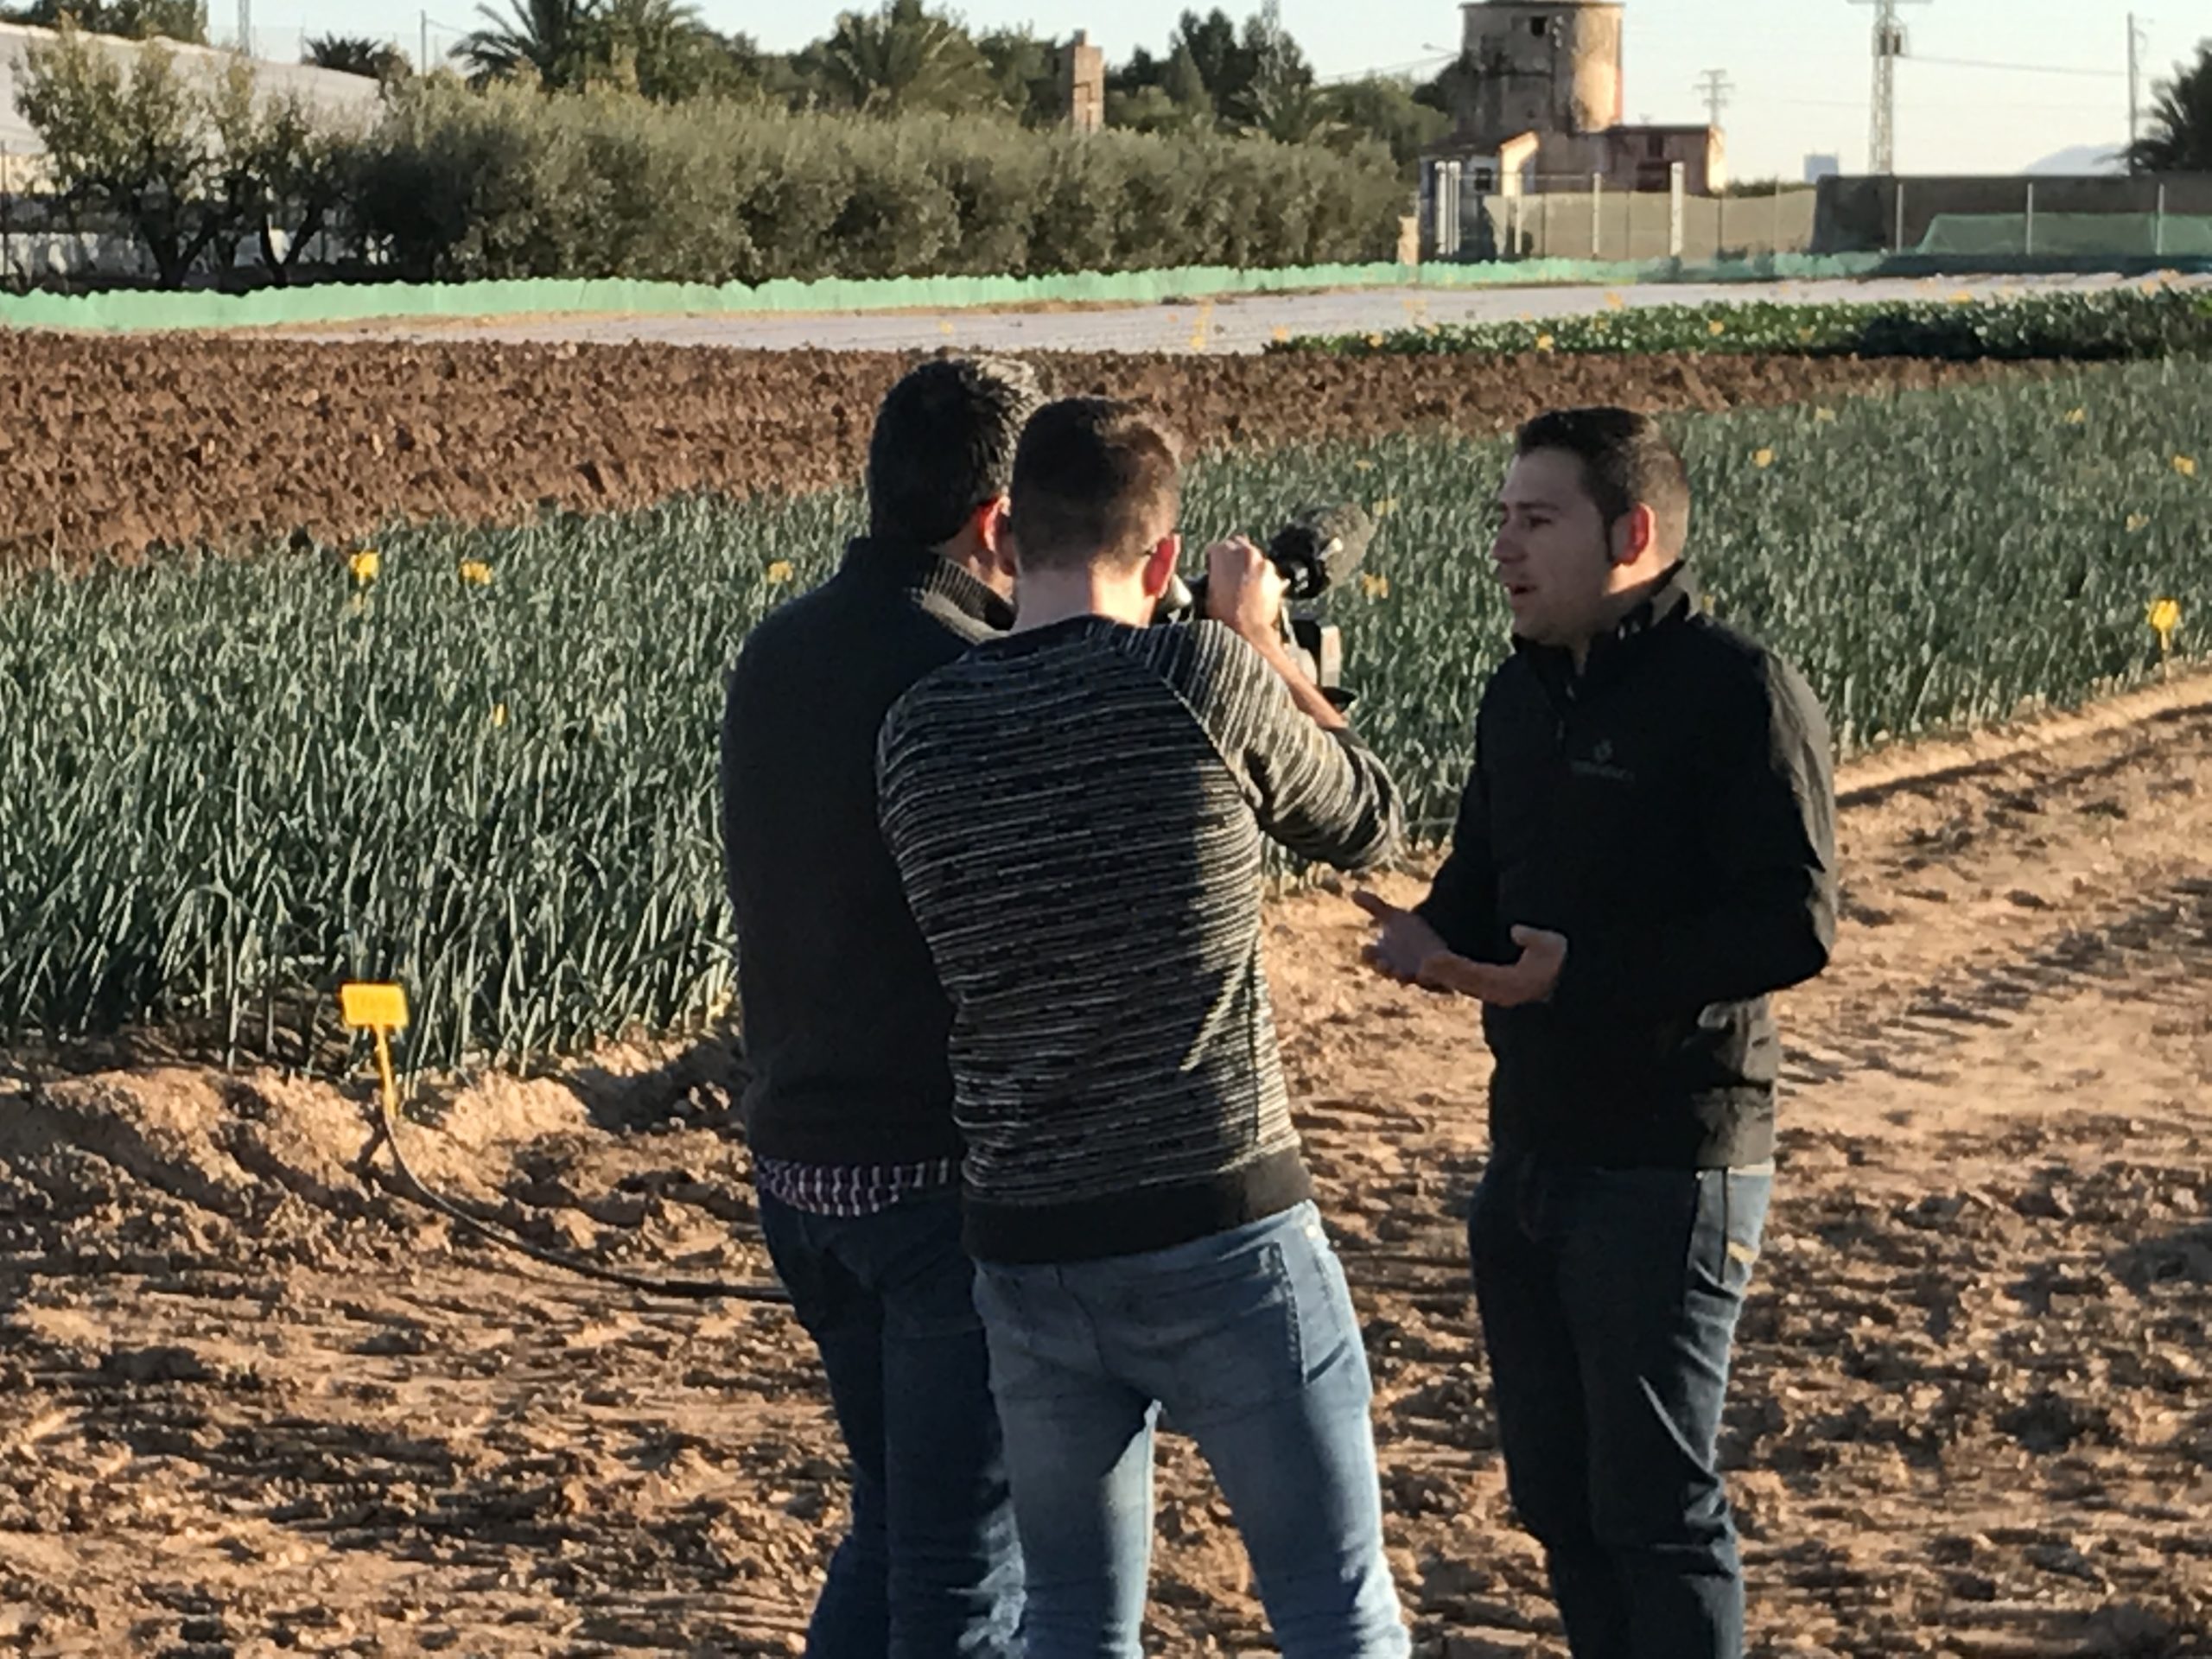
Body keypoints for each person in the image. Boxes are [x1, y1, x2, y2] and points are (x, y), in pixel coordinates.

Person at [875, 398, 1412, 1659]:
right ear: (1162, 560)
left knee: (1070, 1617)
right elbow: (1370, 817)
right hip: (1220, 1224)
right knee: (1337, 1612)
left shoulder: (919, 734)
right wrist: (1264, 646)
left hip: (1027, 1246)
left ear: (1010, 537)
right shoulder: (1200, 678)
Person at [1356, 407, 1838, 1659]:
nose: (1503, 548)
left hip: (1669, 1161)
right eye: (1499, 520)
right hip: (1528, 1153)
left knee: (1655, 1510)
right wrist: (1425, 932)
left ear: (1631, 534)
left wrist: (1583, 977)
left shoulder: (1736, 691)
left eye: (1537, 520)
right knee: (1559, 1503)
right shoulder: (1520, 693)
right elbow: (1484, 875)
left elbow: (1795, 926)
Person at [720, 357, 1038, 1658]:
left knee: (897, 1527)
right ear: (997, 520)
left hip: (800, 1166)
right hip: (933, 1186)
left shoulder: (779, 651)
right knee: (966, 1569)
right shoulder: (973, 675)